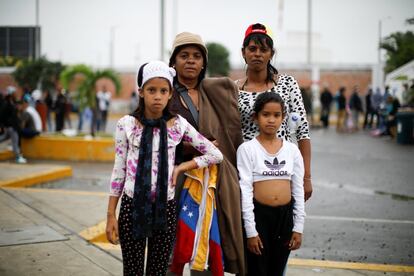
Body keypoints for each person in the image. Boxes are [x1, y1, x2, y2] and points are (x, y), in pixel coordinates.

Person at [105, 61, 223, 276]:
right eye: (151, 90)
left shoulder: (178, 125)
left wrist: (181, 167)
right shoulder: (127, 124)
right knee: (132, 270)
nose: (157, 96)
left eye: (163, 90)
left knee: (158, 271)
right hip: (132, 207)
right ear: (141, 92)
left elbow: (215, 154)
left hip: (165, 208)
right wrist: (111, 214)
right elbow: (119, 172)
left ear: (170, 94)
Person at [168, 32, 245, 275]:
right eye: (184, 55)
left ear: (203, 63)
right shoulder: (165, 93)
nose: (190, 60)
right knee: (176, 248)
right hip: (179, 181)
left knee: (210, 247)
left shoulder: (215, 93)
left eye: (196, 56)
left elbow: (230, 130)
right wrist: (191, 147)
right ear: (173, 61)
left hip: (213, 181)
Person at [236, 23, 312, 202]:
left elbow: (303, 132)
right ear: (243, 52)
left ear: (271, 53)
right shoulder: (233, 90)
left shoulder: (287, 84)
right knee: (249, 225)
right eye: (252, 48)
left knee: (285, 224)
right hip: (248, 171)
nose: (257, 54)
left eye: (263, 49)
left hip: (283, 169)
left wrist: (306, 177)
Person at [237, 92, 305, 275]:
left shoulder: (292, 151)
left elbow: (298, 190)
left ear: (283, 117)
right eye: (266, 114)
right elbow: (245, 190)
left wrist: (298, 227)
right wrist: (250, 231)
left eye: (276, 115)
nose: (271, 120)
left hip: (284, 219)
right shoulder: (247, 149)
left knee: (277, 270)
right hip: (259, 218)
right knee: (256, 270)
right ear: (255, 117)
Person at [0, 86, 27, 163]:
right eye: (14, 92)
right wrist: (4, 125)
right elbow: (2, 116)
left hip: (12, 126)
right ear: (11, 94)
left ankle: (18, 156)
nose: (16, 94)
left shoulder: (13, 103)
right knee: (15, 142)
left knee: (3, 138)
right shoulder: (6, 104)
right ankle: (18, 157)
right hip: (11, 127)